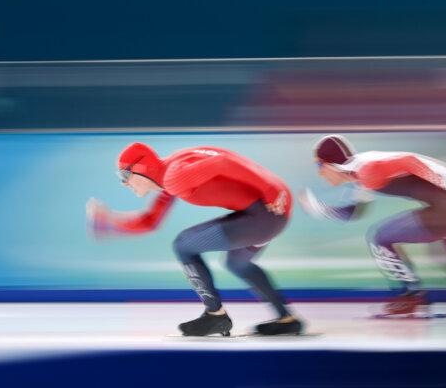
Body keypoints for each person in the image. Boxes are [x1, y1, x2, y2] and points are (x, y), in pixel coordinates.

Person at [86, 142, 304, 336]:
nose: (124, 183)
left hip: (266, 212)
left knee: (183, 245)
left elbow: (224, 162)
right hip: (271, 212)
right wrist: (110, 223)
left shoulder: (175, 177)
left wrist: (270, 191)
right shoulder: (171, 171)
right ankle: (287, 319)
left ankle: (215, 315)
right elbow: (150, 221)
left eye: (124, 175)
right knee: (237, 264)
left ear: (140, 169)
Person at [301, 134, 446, 317]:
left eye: (319, 165)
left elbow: (409, 161)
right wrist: (319, 209)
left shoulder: (367, 170)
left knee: (380, 238)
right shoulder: (361, 170)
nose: (320, 173)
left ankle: (412, 296)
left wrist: (441, 182)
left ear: (331, 165)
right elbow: (352, 213)